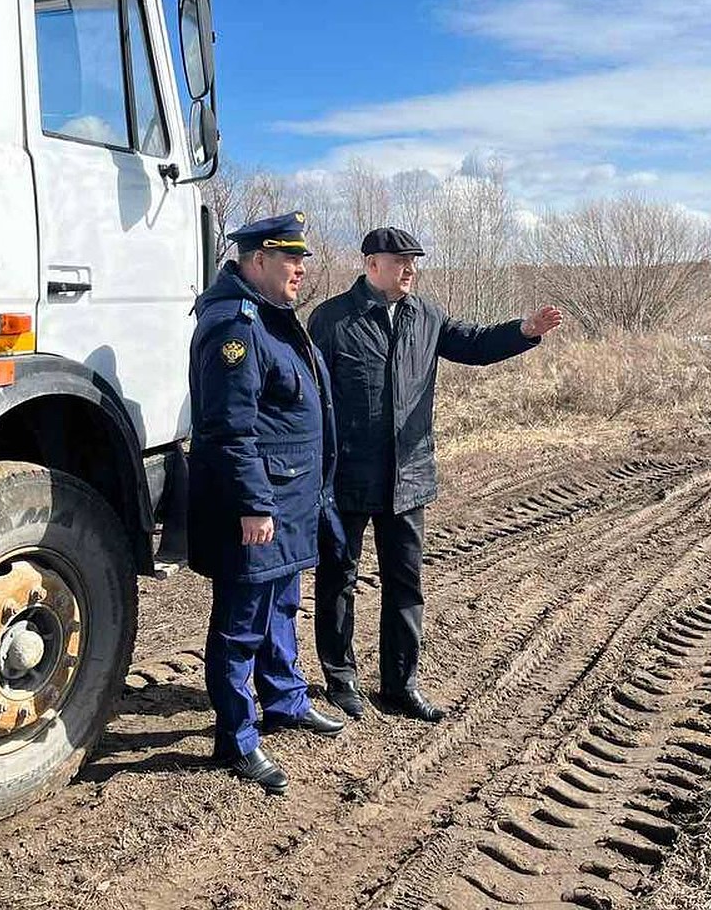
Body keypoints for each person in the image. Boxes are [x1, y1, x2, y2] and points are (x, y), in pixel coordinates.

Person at [310, 227, 563, 722]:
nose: (409, 269)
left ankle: (401, 684)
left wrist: (524, 331)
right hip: (347, 477)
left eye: (414, 261)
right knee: (338, 580)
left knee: (406, 585)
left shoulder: (426, 314)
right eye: (399, 260)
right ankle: (341, 681)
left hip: (408, 476)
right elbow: (310, 393)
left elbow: (472, 344)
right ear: (371, 265)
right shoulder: (333, 319)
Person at [188, 211, 346, 792]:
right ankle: (236, 738)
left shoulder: (275, 317)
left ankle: (285, 700)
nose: (300, 270)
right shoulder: (237, 326)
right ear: (257, 261)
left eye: (302, 260)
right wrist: (254, 505)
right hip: (257, 507)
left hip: (289, 498)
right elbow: (230, 429)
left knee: (282, 607)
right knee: (240, 626)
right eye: (290, 259)